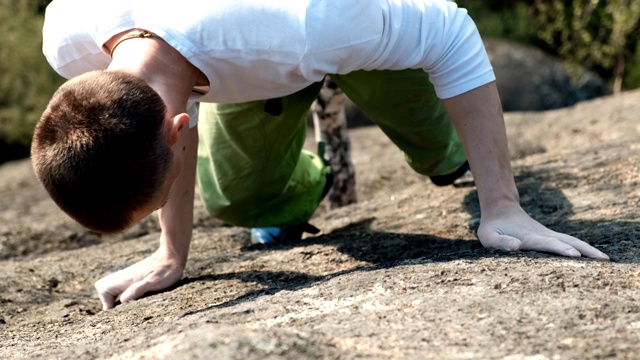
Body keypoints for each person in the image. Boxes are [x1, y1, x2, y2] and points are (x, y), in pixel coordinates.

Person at [33, 0, 609, 310]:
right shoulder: (68, 32)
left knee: (443, 152)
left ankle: (428, 142)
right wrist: (170, 251)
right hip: (249, 59)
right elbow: (151, 113)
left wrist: (502, 207)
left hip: (339, 24)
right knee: (242, 198)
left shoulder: (312, 23)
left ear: (178, 127)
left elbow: (453, 30)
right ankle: (314, 124)